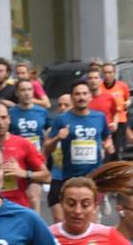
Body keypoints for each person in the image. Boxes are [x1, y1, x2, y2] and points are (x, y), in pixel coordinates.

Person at [45, 81, 115, 210]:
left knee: (92, 217)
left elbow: (107, 137)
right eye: (77, 94)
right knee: (73, 214)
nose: (81, 97)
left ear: (90, 96)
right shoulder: (62, 119)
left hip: (94, 175)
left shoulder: (99, 117)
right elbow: (47, 148)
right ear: (72, 97)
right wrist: (57, 138)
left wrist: (108, 144)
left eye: (84, 94)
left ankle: (102, 198)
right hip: (70, 176)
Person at [0, 97, 52, 216]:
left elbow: (47, 177)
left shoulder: (22, 143)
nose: (0, 123)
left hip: (17, 209)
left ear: (9, 119)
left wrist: (24, 173)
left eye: (3, 117)